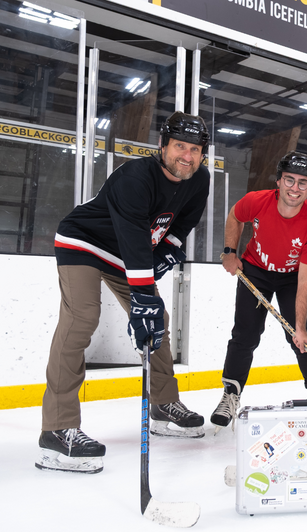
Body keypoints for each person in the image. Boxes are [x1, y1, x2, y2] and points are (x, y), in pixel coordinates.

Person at [39, 112, 211, 474]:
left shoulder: (199, 180)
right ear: (162, 146)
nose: (187, 156)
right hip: (83, 244)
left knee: (158, 320)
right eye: (180, 146)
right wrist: (144, 295)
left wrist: (169, 251)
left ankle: (164, 404)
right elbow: (134, 239)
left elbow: (183, 223)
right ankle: (56, 429)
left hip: (125, 254)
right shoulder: (135, 178)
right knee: (82, 318)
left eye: (195, 149)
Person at [211, 152, 307, 432]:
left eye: (303, 183)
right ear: (278, 181)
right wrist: (230, 251)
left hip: (291, 278)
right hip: (256, 271)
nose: (294, 188)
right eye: (289, 180)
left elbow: (305, 284)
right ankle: (231, 393)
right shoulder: (257, 201)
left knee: (303, 336)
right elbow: (235, 216)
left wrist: (298, 327)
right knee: (245, 333)